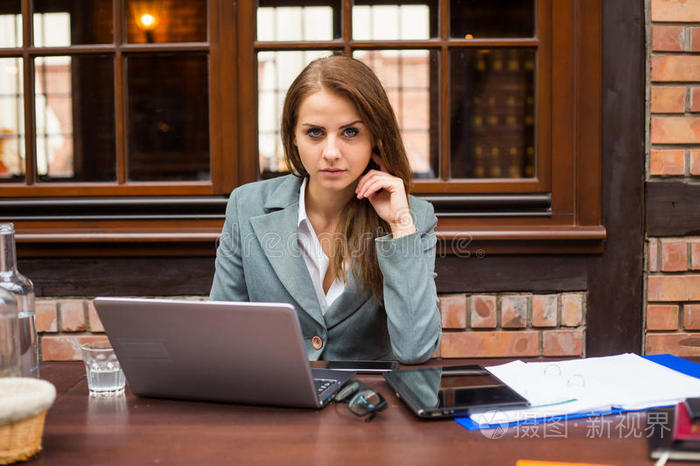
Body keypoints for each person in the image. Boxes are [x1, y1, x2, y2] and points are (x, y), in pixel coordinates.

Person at [210, 55, 440, 364]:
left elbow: (416, 351)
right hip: (276, 400)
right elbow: (223, 334)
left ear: (375, 137)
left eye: (350, 132)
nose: (331, 153)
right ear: (293, 137)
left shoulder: (414, 218)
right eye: (315, 133)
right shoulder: (246, 206)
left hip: (368, 404)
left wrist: (399, 225)